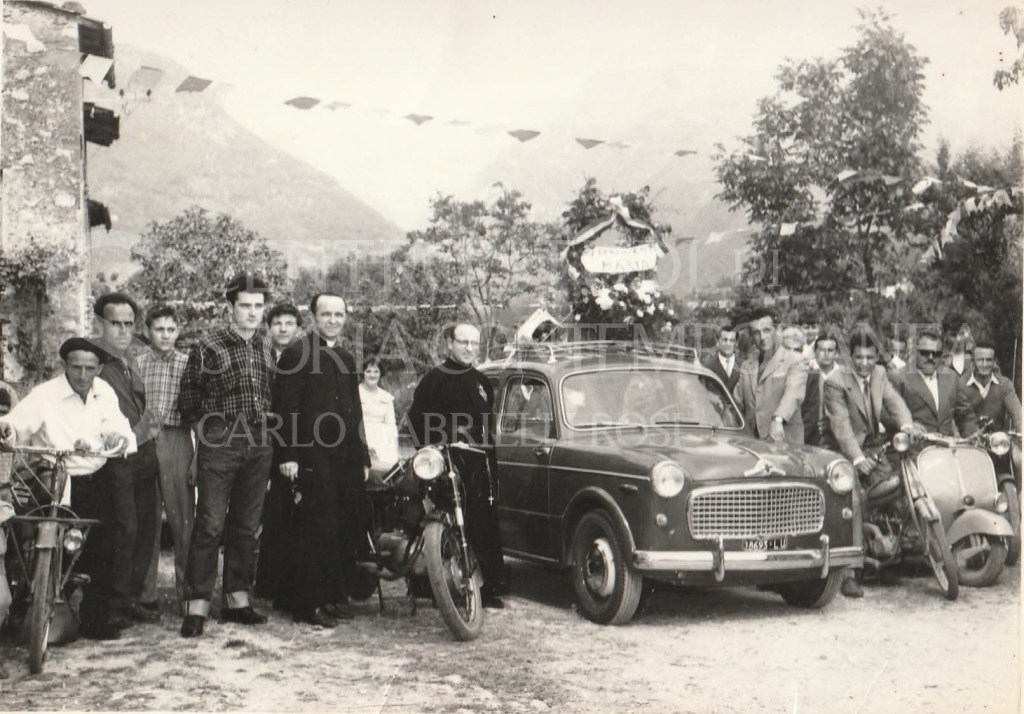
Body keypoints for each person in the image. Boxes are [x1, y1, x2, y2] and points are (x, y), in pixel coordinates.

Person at [0, 338, 134, 639]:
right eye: (76, 367)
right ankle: (37, 611)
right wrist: (7, 428)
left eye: (90, 368)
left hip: (95, 477)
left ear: (99, 368)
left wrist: (116, 438)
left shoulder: (105, 393)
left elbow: (119, 427)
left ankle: (95, 620)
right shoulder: (46, 394)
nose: (83, 375)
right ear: (65, 366)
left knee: (103, 543)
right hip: (55, 477)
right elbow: (18, 423)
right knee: (47, 538)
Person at [178, 273, 275, 637]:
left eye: (258, 306)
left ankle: (237, 601)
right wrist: (209, 436)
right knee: (211, 523)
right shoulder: (209, 345)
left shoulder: (266, 345)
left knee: (247, 526)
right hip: (220, 439)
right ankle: (197, 606)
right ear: (230, 307)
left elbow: (271, 394)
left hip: (259, 440)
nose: (252, 313)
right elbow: (189, 397)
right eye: (245, 306)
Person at [269, 292, 370, 627]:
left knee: (338, 528)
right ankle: (306, 603)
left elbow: (354, 411)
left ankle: (330, 597)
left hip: (343, 459)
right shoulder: (297, 354)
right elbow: (286, 409)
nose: (333, 320)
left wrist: (362, 456)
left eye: (338, 314)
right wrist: (288, 455)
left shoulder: (345, 357)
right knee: (312, 530)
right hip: (310, 456)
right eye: (326, 314)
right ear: (312, 317)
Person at [407, 323, 509, 608]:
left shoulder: (481, 380)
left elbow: (486, 425)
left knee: (482, 523)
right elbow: (416, 422)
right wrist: (436, 449)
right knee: (447, 523)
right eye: (463, 342)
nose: (468, 348)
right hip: (449, 465)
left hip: (479, 464)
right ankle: (439, 587)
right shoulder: (434, 380)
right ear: (449, 343)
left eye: (474, 344)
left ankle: (485, 589)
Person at [821, 327, 916, 598]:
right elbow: (841, 426)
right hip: (840, 450)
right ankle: (851, 571)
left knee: (902, 477)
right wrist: (857, 458)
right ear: (849, 357)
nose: (864, 363)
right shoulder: (835, 381)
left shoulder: (880, 374)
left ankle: (899, 542)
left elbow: (895, 403)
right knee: (855, 498)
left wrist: (907, 425)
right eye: (859, 357)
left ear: (877, 357)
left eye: (870, 358)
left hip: (872, 445)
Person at [93, 293, 162, 623]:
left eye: (128, 324)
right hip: (117, 457)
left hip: (144, 452)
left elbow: (141, 405)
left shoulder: (130, 360)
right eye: (114, 324)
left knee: (146, 529)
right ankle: (109, 605)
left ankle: (128, 600)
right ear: (100, 324)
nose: (122, 330)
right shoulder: (92, 363)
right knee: (123, 529)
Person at [137, 304, 195, 611]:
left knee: (182, 518)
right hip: (145, 439)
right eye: (159, 329)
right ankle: (146, 594)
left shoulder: (189, 363)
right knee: (148, 518)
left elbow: (198, 411)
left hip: (177, 438)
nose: (165, 335)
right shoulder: (135, 363)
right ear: (148, 331)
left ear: (178, 331)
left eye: (171, 329)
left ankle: (188, 592)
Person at [732, 309, 808, 444]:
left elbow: (793, 395)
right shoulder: (747, 365)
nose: (762, 337)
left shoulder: (795, 360)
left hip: (784, 442)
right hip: (753, 444)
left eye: (766, 330)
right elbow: (736, 403)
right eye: (756, 332)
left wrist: (778, 419)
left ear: (777, 330)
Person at [889, 329, 975, 437]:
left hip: (948, 449)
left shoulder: (951, 377)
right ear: (914, 351)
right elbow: (887, 415)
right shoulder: (898, 377)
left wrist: (971, 438)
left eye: (936, 354)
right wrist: (907, 425)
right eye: (925, 353)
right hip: (915, 449)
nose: (930, 357)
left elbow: (965, 415)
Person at [955, 340, 1022, 476]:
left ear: (995, 361)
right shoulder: (960, 385)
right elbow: (953, 416)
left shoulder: (1004, 384)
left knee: (1020, 461)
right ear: (973, 361)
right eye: (980, 360)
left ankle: (1018, 494)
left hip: (998, 446)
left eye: (989, 360)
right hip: (968, 446)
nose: (985, 364)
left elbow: (1018, 414)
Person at [359, 356, 399, 472]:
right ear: (363, 373)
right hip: (361, 435)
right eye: (368, 371)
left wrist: (394, 447)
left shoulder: (386, 397)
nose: (372, 375)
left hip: (382, 438)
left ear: (381, 374)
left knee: (388, 470)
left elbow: (391, 424)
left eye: (376, 371)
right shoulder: (355, 393)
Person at [802, 333, 839, 446]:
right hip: (810, 435)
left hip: (837, 437)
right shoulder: (806, 374)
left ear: (837, 354)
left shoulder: (844, 377)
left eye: (830, 350)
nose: (826, 354)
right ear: (815, 352)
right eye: (822, 350)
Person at [703, 325, 740, 393]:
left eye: (732, 340)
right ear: (718, 342)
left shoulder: (744, 367)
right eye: (725, 340)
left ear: (736, 343)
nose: (728, 344)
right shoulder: (707, 367)